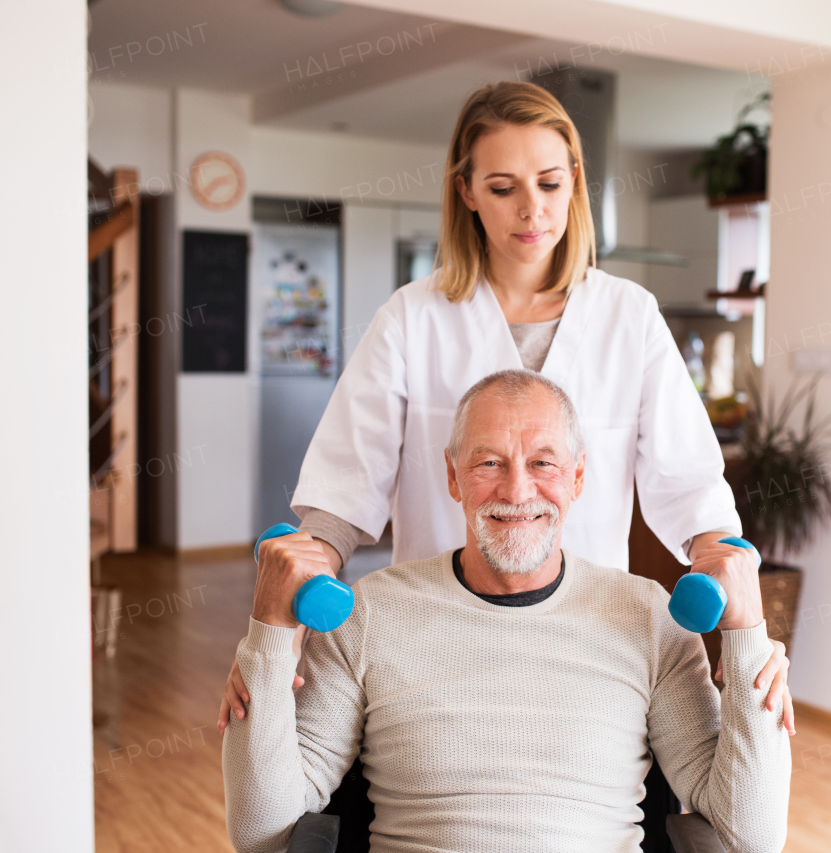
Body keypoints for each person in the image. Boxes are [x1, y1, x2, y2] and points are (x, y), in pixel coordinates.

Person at [218, 80, 795, 732]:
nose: (531, 210)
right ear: (465, 191)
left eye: (549, 184)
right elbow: (344, 489)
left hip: (589, 638)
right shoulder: (412, 318)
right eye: (502, 188)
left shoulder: (627, 316)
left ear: (575, 181)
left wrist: (739, 596)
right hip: (434, 635)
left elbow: (690, 487)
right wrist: (280, 617)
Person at [223, 371, 791, 853]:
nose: (517, 491)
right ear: (452, 476)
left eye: (543, 462)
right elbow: (261, 831)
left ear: (577, 477)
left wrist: (748, 641)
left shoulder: (650, 618)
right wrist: (269, 636)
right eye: (489, 462)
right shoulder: (371, 613)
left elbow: (751, 837)